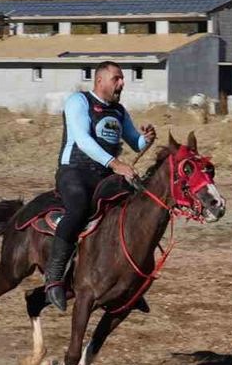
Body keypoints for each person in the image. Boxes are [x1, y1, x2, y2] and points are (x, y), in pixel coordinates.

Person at [44, 61, 156, 311]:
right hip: (74, 172)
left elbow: (135, 143)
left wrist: (145, 140)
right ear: (100, 80)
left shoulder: (118, 111)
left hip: (105, 176)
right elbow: (82, 140)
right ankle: (54, 277)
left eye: (122, 79)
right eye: (117, 78)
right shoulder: (79, 101)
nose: (122, 83)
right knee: (79, 208)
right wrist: (116, 164)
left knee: (135, 209)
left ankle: (129, 281)